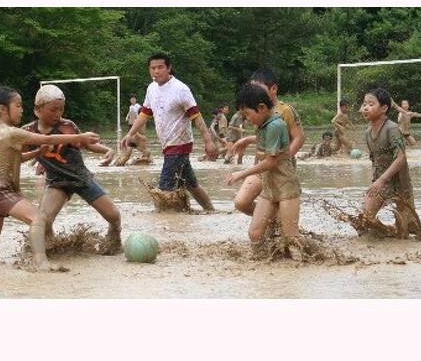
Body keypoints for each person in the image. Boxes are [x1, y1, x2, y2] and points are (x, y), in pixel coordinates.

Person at [0, 86, 100, 271]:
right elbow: (46, 139)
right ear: (3, 109)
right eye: (18, 106)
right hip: (1, 190)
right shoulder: (12, 132)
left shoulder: (0, 130)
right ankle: (41, 264)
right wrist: (80, 136)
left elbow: (16, 158)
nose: (22, 110)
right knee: (38, 219)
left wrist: (37, 153)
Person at [21, 84, 122, 254]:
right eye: (53, 109)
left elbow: (86, 144)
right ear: (37, 109)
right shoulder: (27, 132)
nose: (57, 114)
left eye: (60, 109)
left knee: (114, 216)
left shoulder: (68, 126)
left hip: (81, 179)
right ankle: (50, 246)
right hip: (57, 183)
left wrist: (107, 150)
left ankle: (114, 240)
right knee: (43, 221)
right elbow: (17, 155)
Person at [121, 52, 216, 211]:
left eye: (160, 67)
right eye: (153, 68)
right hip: (167, 144)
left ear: (169, 68)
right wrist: (130, 134)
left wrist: (208, 141)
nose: (156, 71)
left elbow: (196, 117)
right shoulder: (151, 88)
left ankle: (165, 222)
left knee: (164, 188)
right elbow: (144, 114)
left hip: (180, 143)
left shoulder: (181, 89)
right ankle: (211, 210)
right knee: (191, 184)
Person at [226, 83, 303, 257]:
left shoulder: (275, 125)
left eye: (247, 114)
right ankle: (264, 263)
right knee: (255, 233)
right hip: (269, 187)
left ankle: (319, 254)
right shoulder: (265, 123)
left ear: (261, 107)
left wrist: (241, 174)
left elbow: (270, 162)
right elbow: (268, 140)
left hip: (285, 186)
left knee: (292, 237)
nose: (247, 120)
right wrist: (249, 140)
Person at [232, 67, 305, 216]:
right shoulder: (253, 110)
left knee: (281, 215)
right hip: (260, 165)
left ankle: (275, 223)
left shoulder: (285, 110)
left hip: (280, 168)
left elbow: (299, 137)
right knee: (241, 202)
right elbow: (266, 139)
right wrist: (248, 140)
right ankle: (267, 220)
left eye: (258, 88)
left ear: (273, 89)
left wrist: (285, 157)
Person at [360, 87, 420, 237]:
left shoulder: (391, 129)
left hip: (401, 184)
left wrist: (381, 180)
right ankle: (384, 233)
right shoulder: (367, 132)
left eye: (371, 104)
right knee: (363, 222)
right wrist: (376, 181)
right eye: (364, 103)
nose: (365, 107)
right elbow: (375, 161)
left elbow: (401, 158)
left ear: (384, 108)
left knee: (407, 231)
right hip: (380, 183)